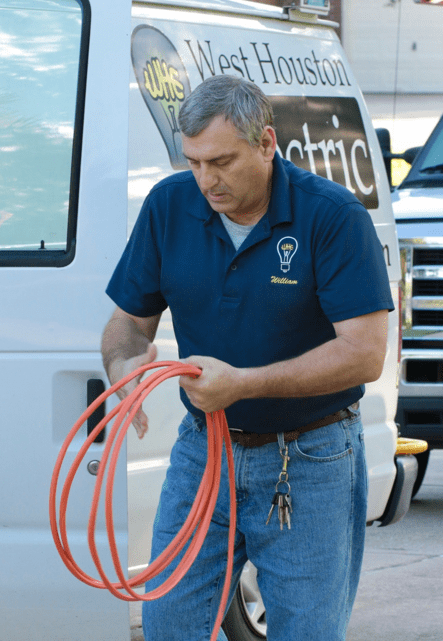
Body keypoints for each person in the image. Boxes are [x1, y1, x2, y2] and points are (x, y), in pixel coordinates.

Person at [101, 75, 393, 641]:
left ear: (266, 143)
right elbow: (125, 325)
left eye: (221, 161)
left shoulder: (332, 216)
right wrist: (123, 365)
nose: (206, 180)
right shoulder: (169, 204)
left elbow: (363, 355)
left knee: (305, 632)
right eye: (193, 162)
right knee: (171, 626)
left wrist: (245, 383)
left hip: (310, 459)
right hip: (203, 450)